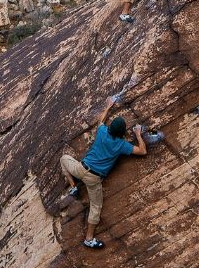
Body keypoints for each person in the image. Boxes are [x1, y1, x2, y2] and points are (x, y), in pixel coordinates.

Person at [60, 95, 149, 248]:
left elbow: (100, 121)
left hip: (80, 168)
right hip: (94, 179)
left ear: (110, 128)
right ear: (122, 133)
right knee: (95, 207)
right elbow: (142, 151)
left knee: (64, 159)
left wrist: (108, 106)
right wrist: (138, 134)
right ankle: (89, 239)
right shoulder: (121, 145)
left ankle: (73, 187)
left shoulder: (102, 132)